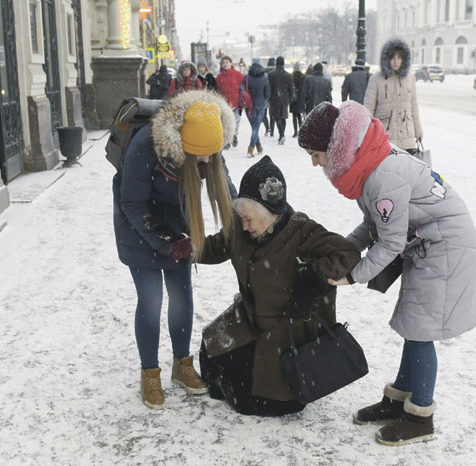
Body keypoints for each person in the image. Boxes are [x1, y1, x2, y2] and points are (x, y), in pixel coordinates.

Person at [298, 101, 476, 445]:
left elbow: (391, 240)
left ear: (334, 148)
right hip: (427, 244)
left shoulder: (382, 177)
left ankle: (420, 417)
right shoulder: (367, 163)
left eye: (315, 153)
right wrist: (344, 253)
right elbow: (373, 225)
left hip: (445, 246)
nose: (314, 162)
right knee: (413, 325)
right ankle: (398, 400)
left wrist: (353, 275)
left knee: (420, 329)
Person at [198, 155, 360, 416]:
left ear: (272, 214)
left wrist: (313, 278)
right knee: (211, 356)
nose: (243, 225)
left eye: (249, 219)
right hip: (250, 319)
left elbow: (348, 252)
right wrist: (187, 249)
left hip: (286, 331)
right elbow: (216, 247)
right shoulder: (241, 229)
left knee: (261, 400)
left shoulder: (302, 232)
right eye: (241, 217)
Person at [112, 90, 238, 410]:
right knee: (151, 300)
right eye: (201, 156)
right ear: (183, 144)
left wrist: (255, 212)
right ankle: (149, 373)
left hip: (178, 226)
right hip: (139, 226)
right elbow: (132, 204)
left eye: (213, 154)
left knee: (182, 297)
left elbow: (227, 188)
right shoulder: (145, 145)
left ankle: (182, 365)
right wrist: (167, 243)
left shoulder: (206, 144)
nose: (208, 162)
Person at [363, 38, 422, 154]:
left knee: (407, 171)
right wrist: (368, 134)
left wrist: (418, 130)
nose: (396, 61)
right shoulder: (376, 79)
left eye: (399, 58)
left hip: (407, 138)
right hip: (385, 138)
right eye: (392, 57)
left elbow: (413, 106)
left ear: (404, 60)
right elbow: (368, 110)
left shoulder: (410, 78)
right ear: (387, 59)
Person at [240, 59, 270, 157]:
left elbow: (241, 90)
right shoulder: (264, 78)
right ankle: (250, 149)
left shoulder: (246, 77)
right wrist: (261, 99)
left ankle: (259, 147)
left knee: (254, 127)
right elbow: (268, 94)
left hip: (249, 106)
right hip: (260, 105)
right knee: (255, 128)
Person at [216, 55, 244, 149]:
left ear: (231, 63)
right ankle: (227, 141)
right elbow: (218, 90)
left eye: (226, 62)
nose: (225, 64)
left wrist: (242, 99)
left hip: (236, 102)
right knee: (225, 122)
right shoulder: (219, 77)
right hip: (224, 104)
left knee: (236, 120)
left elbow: (242, 89)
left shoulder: (238, 75)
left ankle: (234, 134)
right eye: (223, 63)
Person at [267, 56, 295, 145]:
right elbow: (292, 89)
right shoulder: (288, 75)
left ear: (276, 63)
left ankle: (281, 134)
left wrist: (269, 97)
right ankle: (282, 134)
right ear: (283, 63)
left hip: (274, 98)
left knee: (277, 117)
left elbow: (269, 88)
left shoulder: (271, 75)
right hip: (285, 99)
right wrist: (290, 99)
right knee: (283, 117)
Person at [290, 61, 305, 137]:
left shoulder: (291, 76)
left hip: (293, 99)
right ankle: (301, 130)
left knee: (294, 116)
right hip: (301, 98)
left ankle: (295, 131)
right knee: (299, 116)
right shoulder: (303, 76)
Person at [263, 57, 276, 136]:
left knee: (264, 114)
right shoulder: (276, 72)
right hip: (274, 95)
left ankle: (267, 127)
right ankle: (272, 130)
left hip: (265, 95)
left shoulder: (264, 72)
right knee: (272, 114)